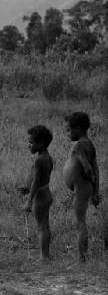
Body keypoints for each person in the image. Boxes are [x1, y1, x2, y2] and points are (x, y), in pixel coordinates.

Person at [63, 112, 100, 262]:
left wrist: (89, 178)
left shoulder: (79, 145)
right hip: (85, 187)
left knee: (80, 223)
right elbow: (96, 168)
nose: (67, 133)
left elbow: (89, 168)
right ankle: (82, 258)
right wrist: (95, 191)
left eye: (69, 130)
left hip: (82, 188)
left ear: (78, 128)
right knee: (81, 221)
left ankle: (81, 260)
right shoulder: (90, 144)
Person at [20, 125, 54, 261]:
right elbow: (38, 179)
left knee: (41, 227)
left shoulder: (39, 160)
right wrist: (25, 188)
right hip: (46, 192)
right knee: (45, 225)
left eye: (31, 142)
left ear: (41, 143)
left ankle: (43, 256)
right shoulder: (47, 157)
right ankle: (46, 254)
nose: (29, 145)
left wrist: (29, 202)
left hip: (40, 196)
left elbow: (35, 183)